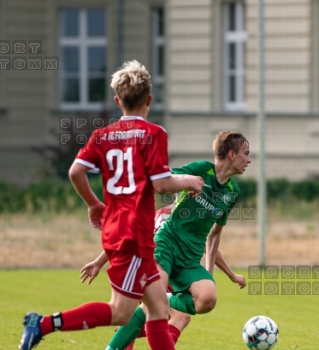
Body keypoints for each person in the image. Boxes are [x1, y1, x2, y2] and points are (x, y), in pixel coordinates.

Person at [18, 60, 204, 350]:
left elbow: (75, 171)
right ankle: (42, 323)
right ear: (150, 100)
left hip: (124, 232)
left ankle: (44, 324)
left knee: (158, 311)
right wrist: (190, 181)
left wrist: (93, 204)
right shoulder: (154, 134)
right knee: (120, 311)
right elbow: (162, 184)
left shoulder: (102, 135)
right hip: (133, 237)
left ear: (118, 101)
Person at [81, 130, 251, 350]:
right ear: (231, 154)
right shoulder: (201, 169)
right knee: (156, 304)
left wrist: (210, 273)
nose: (249, 160)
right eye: (246, 153)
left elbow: (215, 234)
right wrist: (187, 181)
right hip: (166, 245)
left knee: (207, 299)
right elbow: (162, 180)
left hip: (190, 258)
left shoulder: (232, 192)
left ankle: (164, 298)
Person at [80, 203, 247, 350]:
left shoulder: (160, 213)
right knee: (179, 315)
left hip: (139, 268)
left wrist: (98, 262)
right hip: (159, 267)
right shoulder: (185, 219)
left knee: (145, 314)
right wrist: (231, 275)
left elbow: (127, 237)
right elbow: (208, 247)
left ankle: (125, 333)